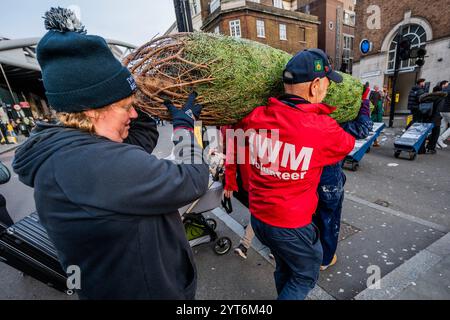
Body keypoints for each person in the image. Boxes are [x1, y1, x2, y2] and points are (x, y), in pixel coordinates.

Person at [12, 7, 209, 300]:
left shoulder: (70, 148)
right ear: (92, 109)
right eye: (124, 105)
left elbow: (140, 137)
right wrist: (184, 128)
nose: (132, 112)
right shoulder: (90, 164)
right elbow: (193, 179)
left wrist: (134, 95)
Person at [230, 49, 355, 300]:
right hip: (291, 225)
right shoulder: (320, 127)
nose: (327, 90)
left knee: (285, 267)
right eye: (327, 84)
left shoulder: (255, 117)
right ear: (315, 85)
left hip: (259, 219)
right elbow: (348, 144)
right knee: (306, 274)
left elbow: (237, 131)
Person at [314, 86, 373, 271]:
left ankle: (309, 253)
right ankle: (325, 258)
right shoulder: (333, 123)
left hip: (306, 176)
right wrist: (364, 103)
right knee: (328, 218)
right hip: (328, 177)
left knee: (310, 217)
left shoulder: (302, 116)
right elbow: (363, 129)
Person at [417, 88, 447, 154]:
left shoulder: (426, 97)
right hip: (435, 118)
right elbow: (439, 109)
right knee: (435, 133)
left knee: (423, 133)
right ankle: (431, 148)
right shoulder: (440, 98)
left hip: (424, 117)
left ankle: (420, 149)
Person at [437, 81, 450, 148]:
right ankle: (441, 139)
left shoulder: (445, 88)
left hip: (442, 110)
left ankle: (436, 141)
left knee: (443, 126)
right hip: (448, 110)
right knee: (443, 126)